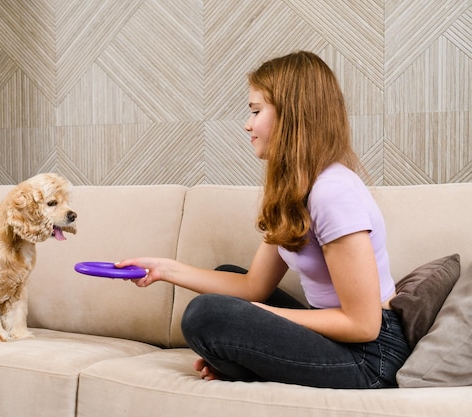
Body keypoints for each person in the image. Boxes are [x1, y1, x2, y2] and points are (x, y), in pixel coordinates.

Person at [117, 51, 410, 389]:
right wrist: (163, 269)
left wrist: (261, 317)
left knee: (206, 315)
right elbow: (253, 286)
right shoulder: (296, 189)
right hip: (344, 342)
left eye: (256, 111)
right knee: (228, 279)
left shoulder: (333, 192)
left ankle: (247, 363)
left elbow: (363, 324)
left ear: (292, 115)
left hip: (372, 356)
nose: (247, 124)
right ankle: (247, 363)